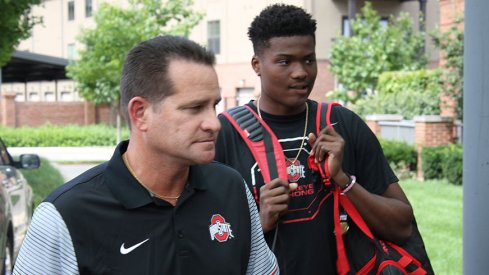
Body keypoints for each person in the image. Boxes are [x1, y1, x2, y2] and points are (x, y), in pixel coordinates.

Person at [13, 35, 278, 275]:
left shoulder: (231, 188)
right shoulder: (65, 216)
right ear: (140, 113)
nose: (214, 123)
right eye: (194, 108)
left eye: (214, 106)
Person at [215, 4, 415, 274]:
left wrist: (344, 181)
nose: (301, 72)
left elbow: (403, 226)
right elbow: (202, 243)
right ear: (256, 65)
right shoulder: (225, 134)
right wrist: (259, 222)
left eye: (308, 59)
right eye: (285, 61)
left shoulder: (343, 124)